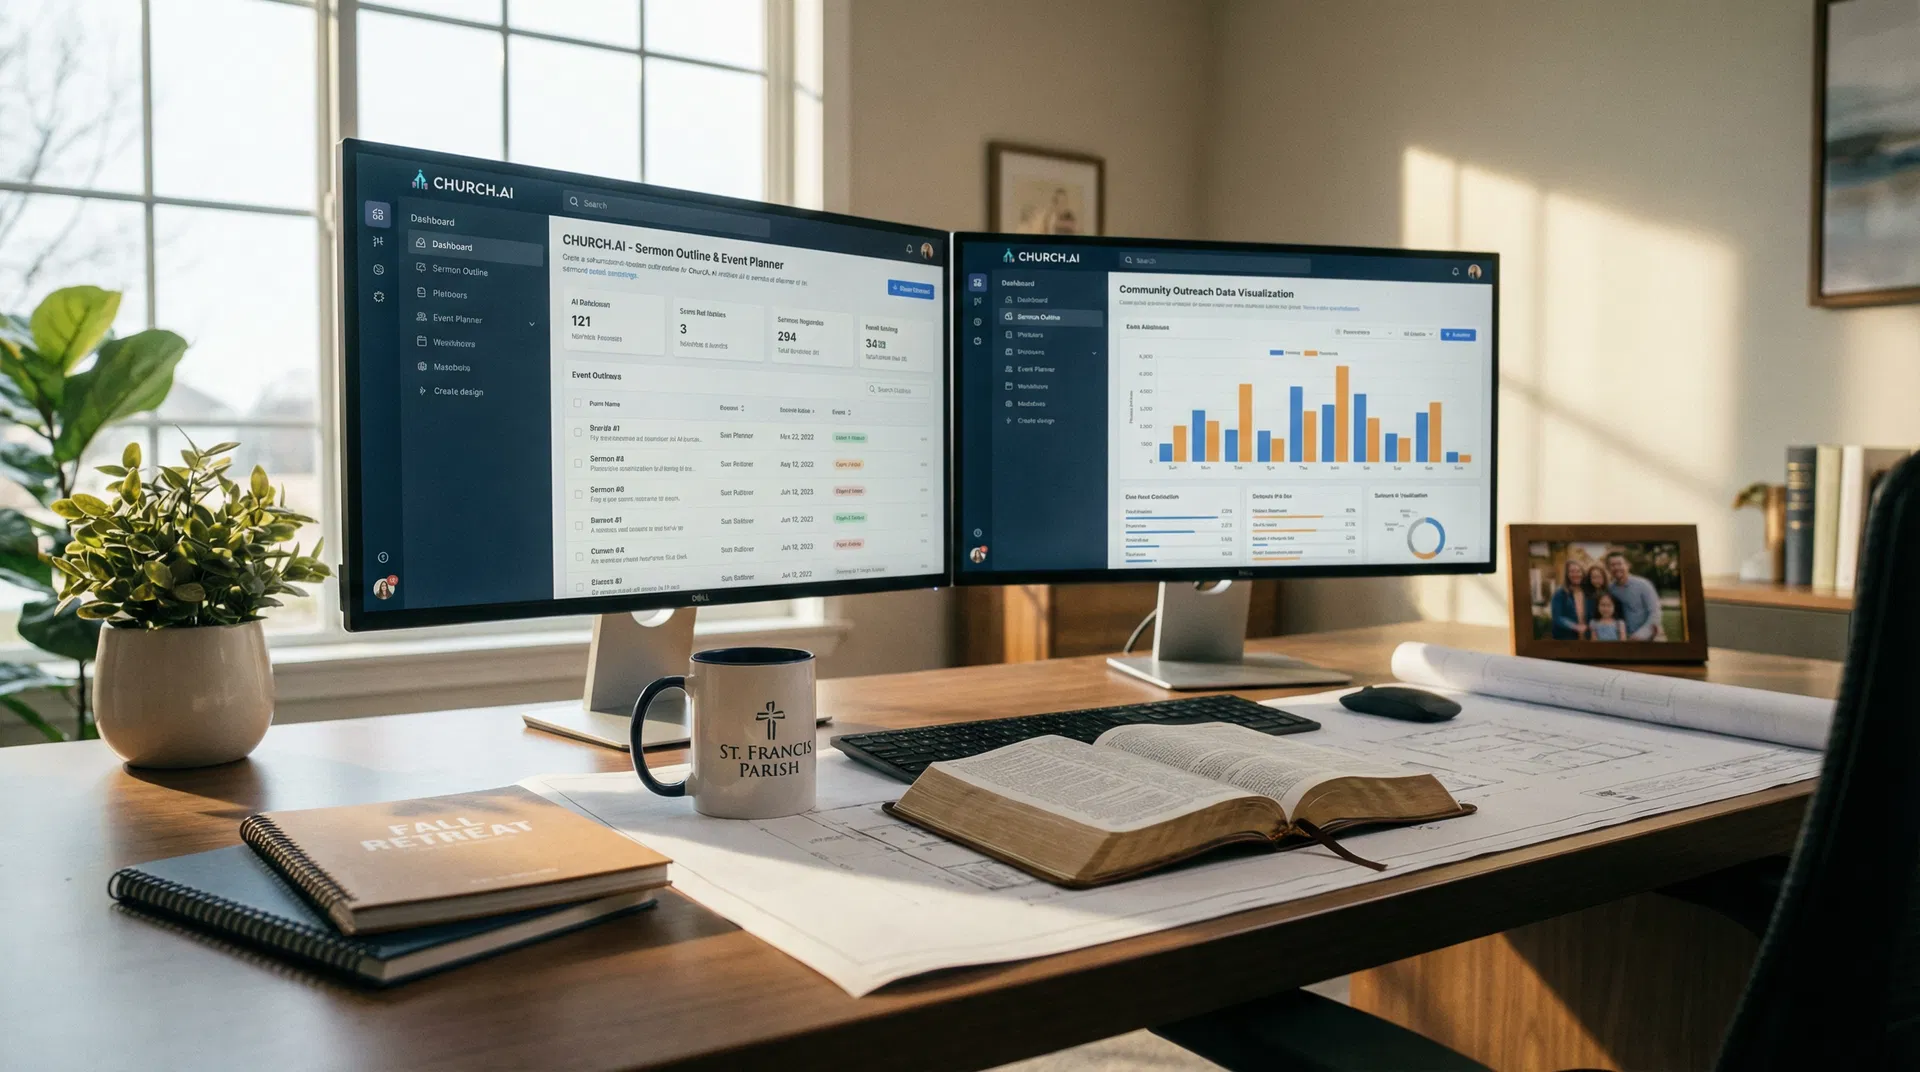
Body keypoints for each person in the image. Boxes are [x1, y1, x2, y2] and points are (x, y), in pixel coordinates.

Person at [1606, 551, 1665, 641]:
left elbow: (1655, 613)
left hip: (1648, 637)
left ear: (1627, 565)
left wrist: (1641, 635)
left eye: (1619, 564)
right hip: (1624, 637)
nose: (1616, 567)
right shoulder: (1610, 589)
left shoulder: (1643, 585)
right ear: (1608, 568)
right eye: (1612, 565)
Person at [1548, 558, 1592, 639]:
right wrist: (1575, 626)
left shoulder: (1588, 592)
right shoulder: (1560, 593)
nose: (1575, 574)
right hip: (1567, 637)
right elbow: (1557, 617)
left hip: (1586, 637)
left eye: (1578, 571)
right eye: (1572, 571)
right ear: (1567, 574)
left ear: (1582, 573)